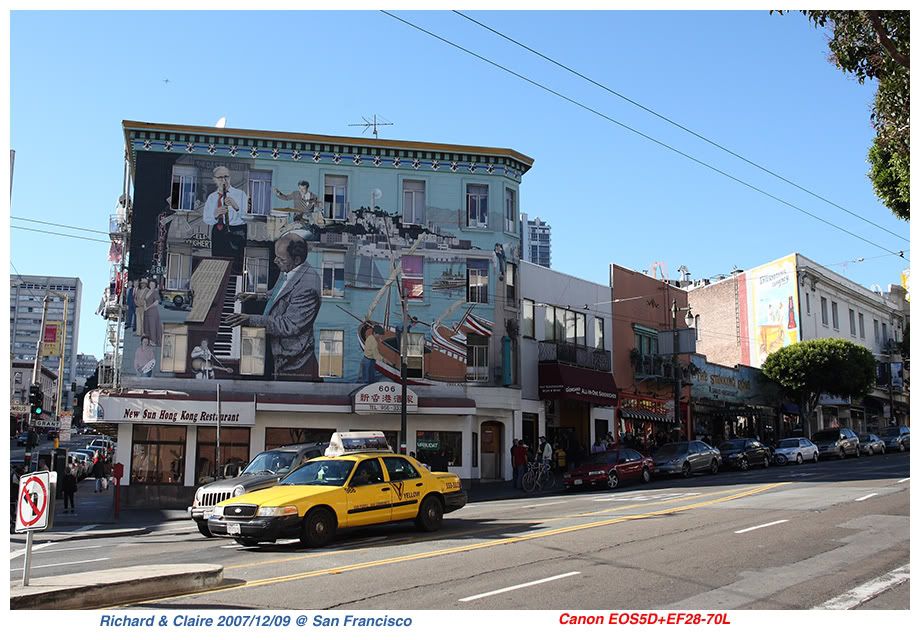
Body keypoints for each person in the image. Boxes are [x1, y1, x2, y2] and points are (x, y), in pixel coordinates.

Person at [225, 231, 322, 379]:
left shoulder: (308, 287)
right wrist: (257, 295)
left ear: (297, 260)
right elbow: (279, 293)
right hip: (276, 345)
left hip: (292, 362)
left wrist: (250, 319)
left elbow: (289, 325)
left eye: (281, 259)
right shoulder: (289, 268)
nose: (276, 261)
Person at [203, 166, 249, 271]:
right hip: (219, 231)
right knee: (218, 262)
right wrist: (215, 215)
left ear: (230, 178)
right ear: (214, 179)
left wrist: (235, 206)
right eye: (220, 178)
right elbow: (206, 219)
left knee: (236, 264)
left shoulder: (240, 194)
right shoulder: (212, 197)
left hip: (237, 231)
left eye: (226, 177)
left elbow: (246, 217)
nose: (224, 180)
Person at [142, 280, 163, 346]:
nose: (152, 285)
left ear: (155, 285)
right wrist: (145, 306)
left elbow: (156, 303)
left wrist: (148, 307)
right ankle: (148, 340)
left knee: (152, 326)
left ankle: (154, 341)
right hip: (146, 312)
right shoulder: (147, 291)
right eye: (151, 284)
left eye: (153, 284)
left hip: (153, 311)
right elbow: (144, 300)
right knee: (147, 326)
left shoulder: (155, 292)